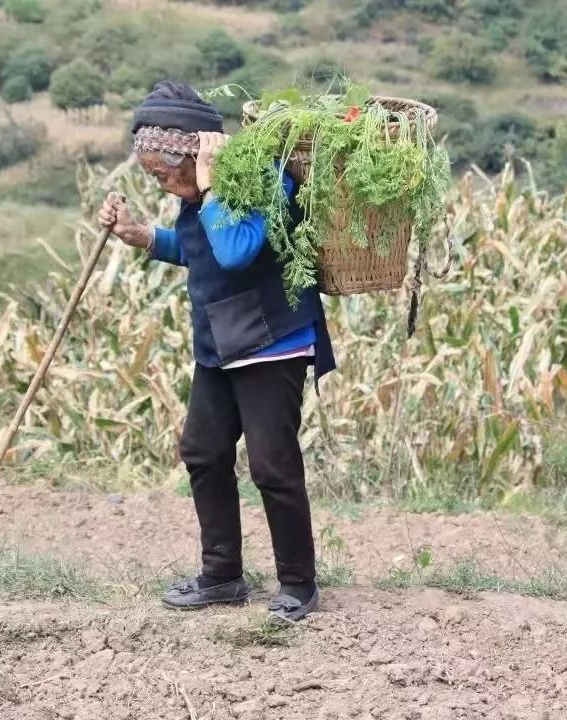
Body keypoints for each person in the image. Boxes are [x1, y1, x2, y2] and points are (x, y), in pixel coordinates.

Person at [98, 81, 336, 622]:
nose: (161, 185)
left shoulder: (259, 178)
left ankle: (299, 585)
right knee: (203, 452)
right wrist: (143, 236)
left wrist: (207, 188)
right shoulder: (195, 196)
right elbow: (198, 247)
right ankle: (223, 576)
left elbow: (233, 250)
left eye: (163, 174)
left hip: (272, 342)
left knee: (273, 467)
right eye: (151, 177)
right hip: (220, 344)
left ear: (192, 154)